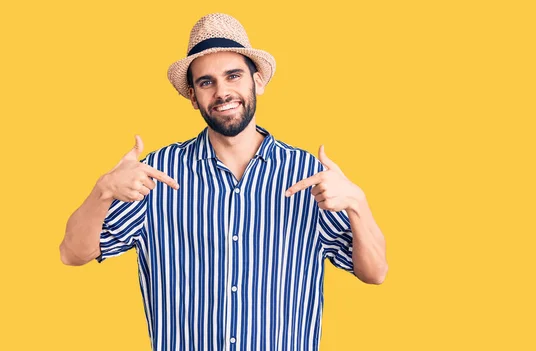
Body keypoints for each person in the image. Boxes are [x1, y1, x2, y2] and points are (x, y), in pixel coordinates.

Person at [60, 13, 388, 351]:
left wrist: (357, 204)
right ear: (193, 97)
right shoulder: (156, 174)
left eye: (233, 76)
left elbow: (374, 272)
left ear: (257, 82)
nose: (222, 92)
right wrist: (103, 191)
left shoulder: (309, 175)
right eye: (206, 82)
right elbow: (72, 253)